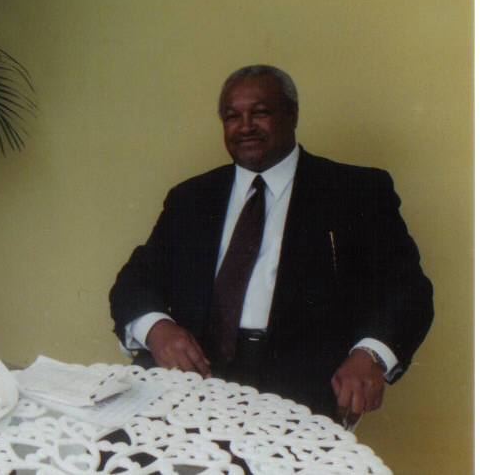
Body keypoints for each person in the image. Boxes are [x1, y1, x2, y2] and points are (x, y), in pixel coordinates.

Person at [109, 65, 433, 424]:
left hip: (299, 384)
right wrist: (157, 329)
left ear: (292, 114)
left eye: (259, 112)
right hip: (191, 375)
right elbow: (133, 280)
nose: (245, 126)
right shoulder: (192, 198)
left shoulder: (354, 191)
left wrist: (369, 355)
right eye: (232, 117)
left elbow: (408, 290)